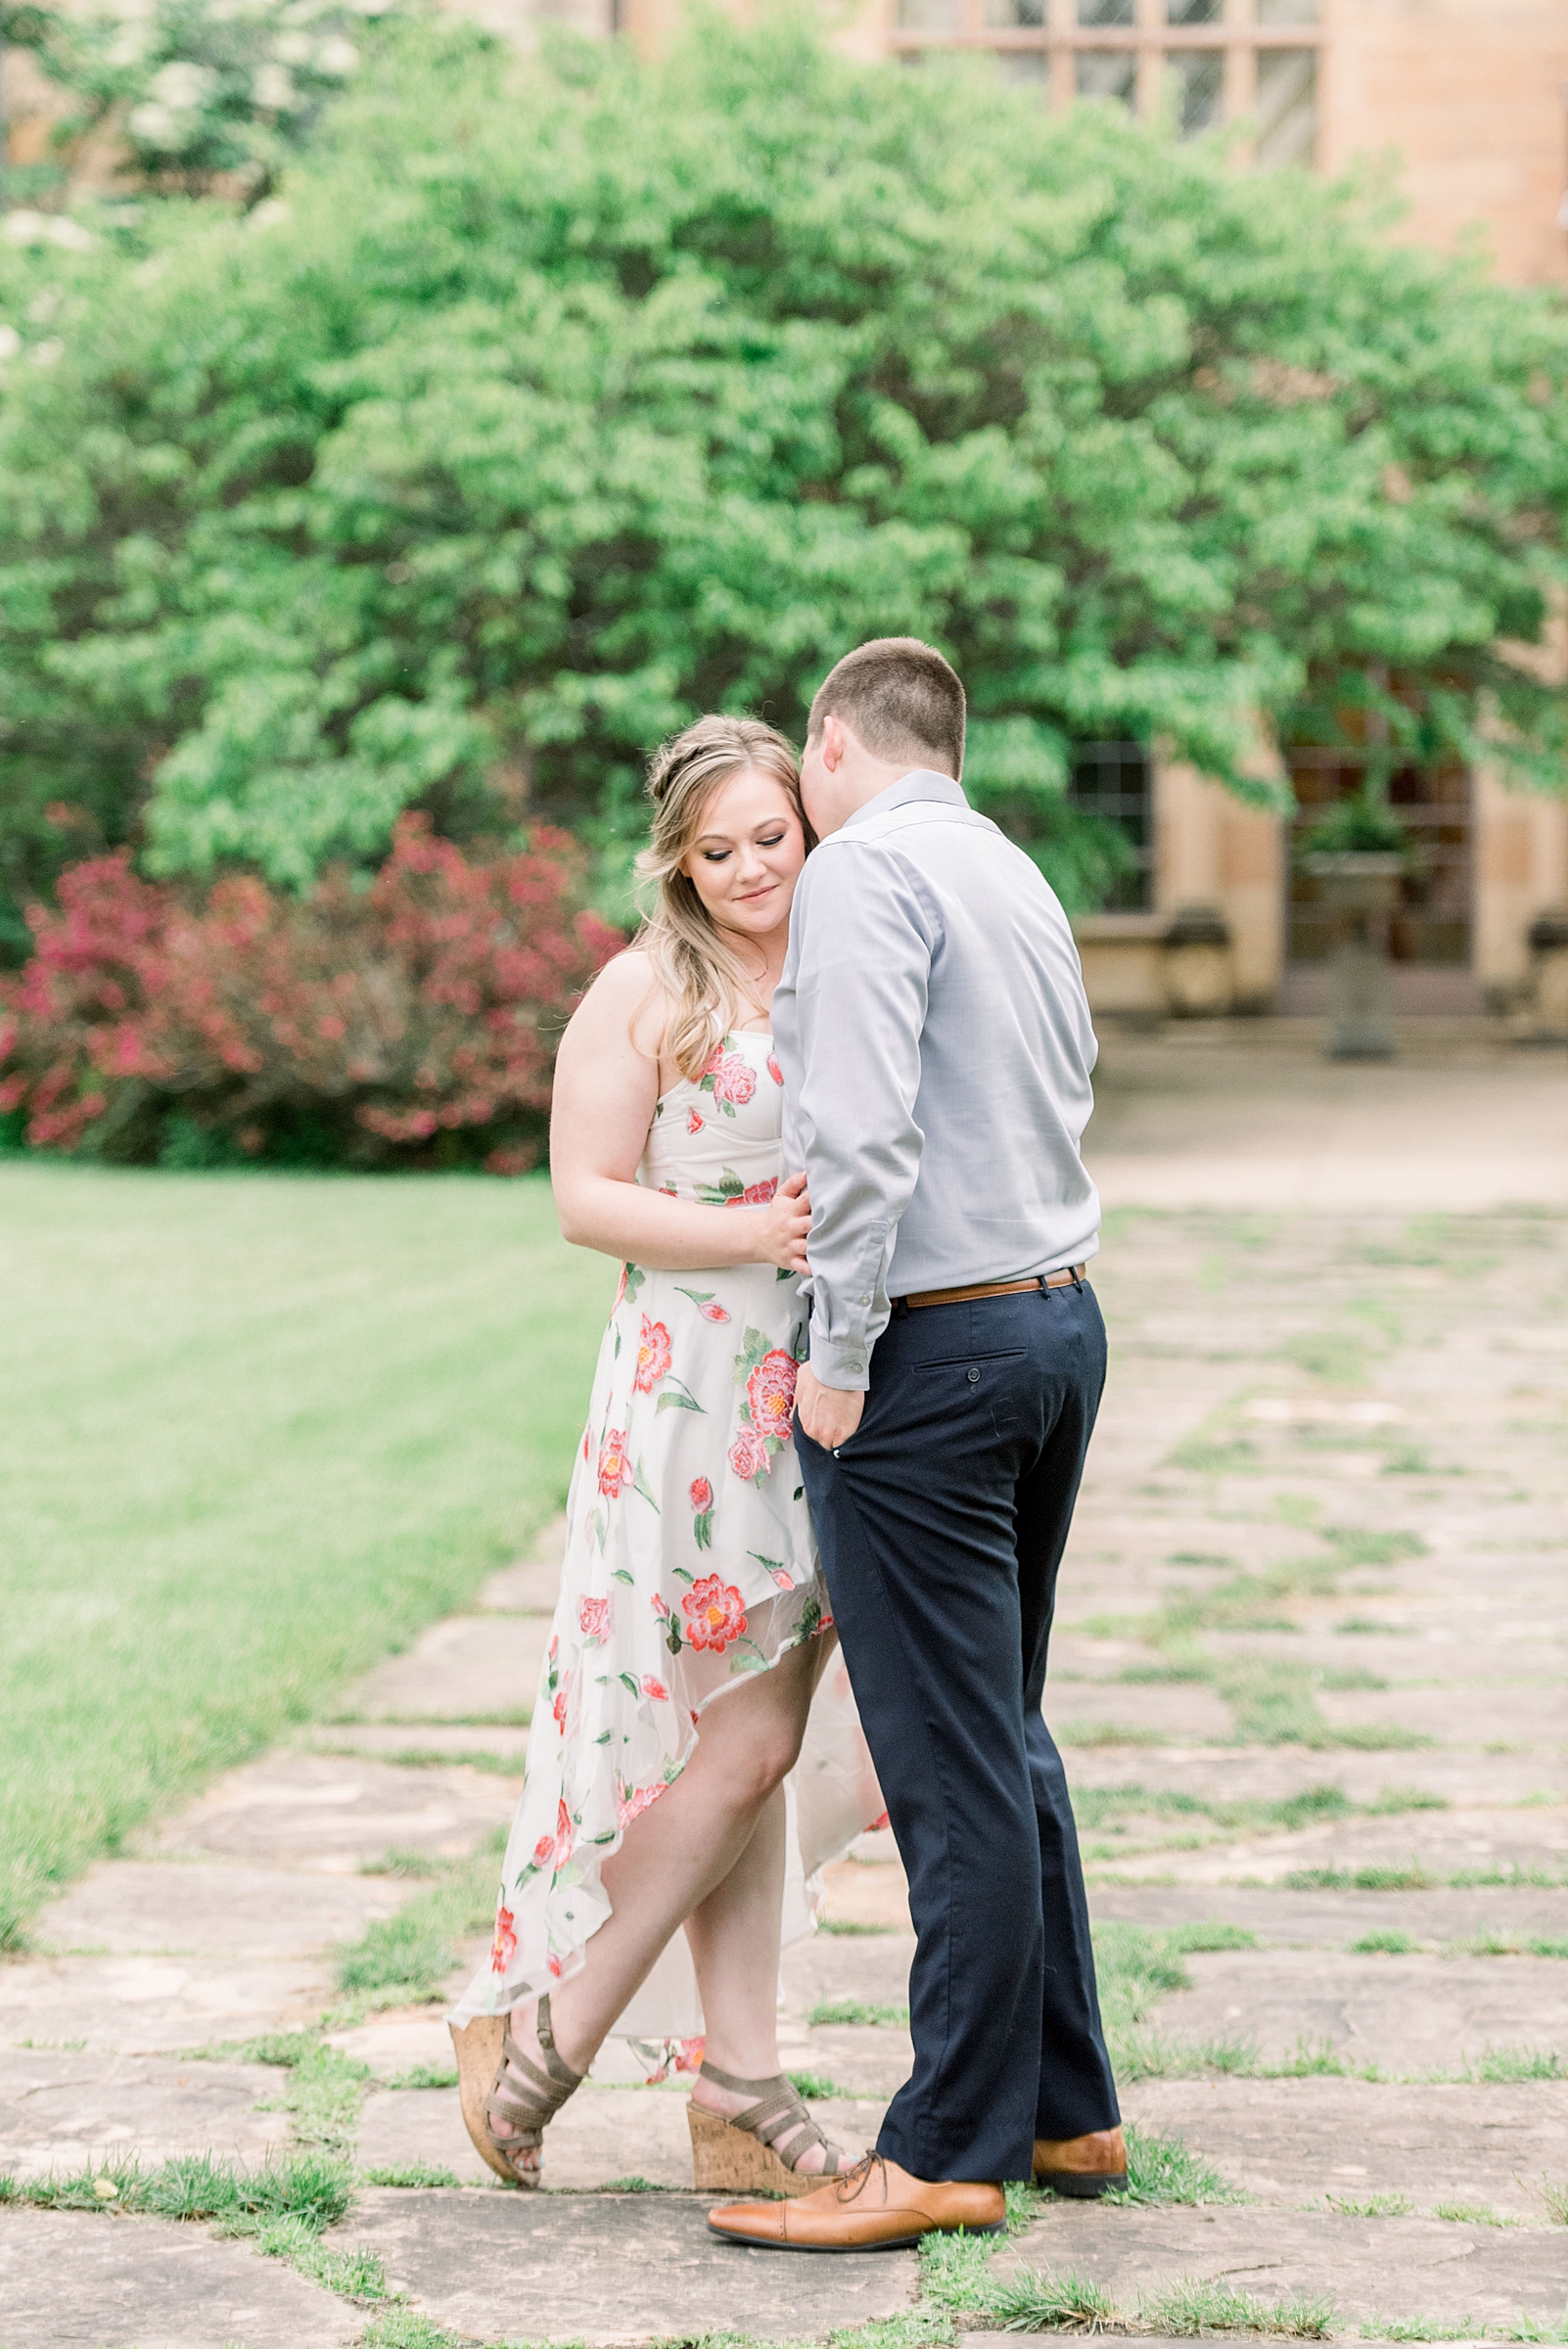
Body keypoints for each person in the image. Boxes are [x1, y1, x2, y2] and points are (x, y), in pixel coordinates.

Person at [707, 639, 1125, 2254]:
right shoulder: (1006, 865)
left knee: (945, 1764)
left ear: (828, 746)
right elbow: (1069, 1084)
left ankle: (946, 2146)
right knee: (1000, 1731)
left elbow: (859, 1135)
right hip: (1052, 1321)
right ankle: (1062, 2105)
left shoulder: (867, 872)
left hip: (929, 1352)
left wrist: (843, 1352)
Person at [449, 715, 879, 2196]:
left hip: (813, 1389)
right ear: (677, 865)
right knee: (737, 1739)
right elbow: (584, 1197)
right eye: (720, 849)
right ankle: (550, 2035)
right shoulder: (646, 989)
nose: (754, 867)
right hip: (688, 1402)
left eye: (773, 835)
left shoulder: (840, 964)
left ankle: (741, 2078)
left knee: (744, 1749)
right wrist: (754, 1231)